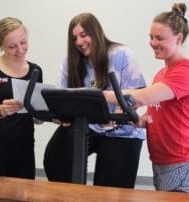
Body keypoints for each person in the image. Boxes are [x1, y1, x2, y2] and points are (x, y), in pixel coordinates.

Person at [104, 3, 189, 193]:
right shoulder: (161, 74)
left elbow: (141, 97)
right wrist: (136, 121)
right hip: (160, 162)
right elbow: (152, 118)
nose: (153, 43)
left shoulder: (185, 72)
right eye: (151, 37)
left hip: (181, 164)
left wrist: (103, 95)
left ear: (179, 38)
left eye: (159, 38)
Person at [43, 12, 147, 188]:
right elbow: (62, 95)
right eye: (74, 38)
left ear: (96, 32)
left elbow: (139, 93)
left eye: (83, 35)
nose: (79, 42)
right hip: (88, 126)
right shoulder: (71, 62)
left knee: (111, 191)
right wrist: (62, 115)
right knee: (55, 158)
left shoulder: (121, 54)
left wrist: (121, 112)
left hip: (122, 130)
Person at [0, 17, 43, 179]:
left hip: (23, 151)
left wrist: (44, 115)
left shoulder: (35, 71)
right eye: (12, 46)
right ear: (0, 46)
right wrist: (0, 111)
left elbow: (36, 117)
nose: (20, 50)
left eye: (23, 42)